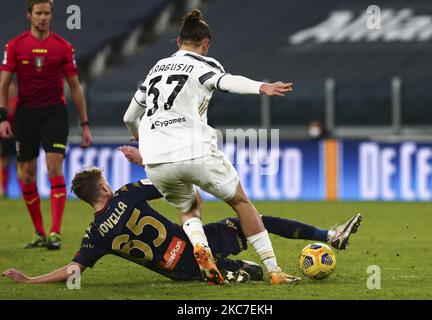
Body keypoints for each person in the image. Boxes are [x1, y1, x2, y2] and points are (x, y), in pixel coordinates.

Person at [123, 9, 300, 285]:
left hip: (156, 160)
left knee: (190, 207)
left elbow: (129, 117)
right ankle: (275, 270)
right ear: (205, 44)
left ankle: (201, 248)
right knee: (241, 202)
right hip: (194, 150)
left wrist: (138, 138)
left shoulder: (156, 68)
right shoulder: (203, 64)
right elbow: (225, 82)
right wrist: (262, 87)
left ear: (177, 42)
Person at [2, 163, 362, 285]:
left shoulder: (95, 234)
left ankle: (227, 270)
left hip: (178, 269)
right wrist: (145, 156)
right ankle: (330, 236)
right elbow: (169, 181)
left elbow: (73, 270)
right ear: (106, 187)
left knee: (246, 257)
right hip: (194, 241)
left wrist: (30, 279)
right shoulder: (127, 194)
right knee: (256, 221)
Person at [0, 0, 92, 249]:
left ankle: (55, 232)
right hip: (25, 116)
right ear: (29, 15)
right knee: (27, 175)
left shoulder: (62, 47)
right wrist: (2, 118)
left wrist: (84, 124)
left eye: (47, 13)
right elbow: (4, 83)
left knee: (54, 168)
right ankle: (39, 232)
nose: (42, 17)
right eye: (38, 13)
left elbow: (75, 87)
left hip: (54, 114)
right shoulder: (15, 46)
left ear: (51, 15)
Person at [0, 81, 19, 198]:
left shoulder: (17, 102)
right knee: (4, 163)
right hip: (4, 136)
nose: (11, 90)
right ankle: (3, 190)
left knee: (20, 163)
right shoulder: (3, 103)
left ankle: (24, 189)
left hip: (16, 136)